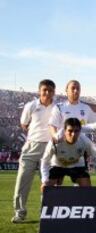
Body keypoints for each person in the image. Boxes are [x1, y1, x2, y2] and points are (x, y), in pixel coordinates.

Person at [11, 79, 56, 223]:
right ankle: (19, 213)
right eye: (45, 90)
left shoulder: (58, 107)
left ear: (54, 92)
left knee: (48, 183)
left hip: (50, 148)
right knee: (22, 180)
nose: (47, 93)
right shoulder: (30, 106)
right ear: (39, 91)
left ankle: (46, 214)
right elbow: (24, 124)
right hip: (31, 147)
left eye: (50, 90)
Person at [40, 118, 96, 191]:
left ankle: (83, 202)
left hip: (77, 166)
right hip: (58, 166)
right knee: (46, 187)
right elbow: (45, 161)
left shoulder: (85, 141)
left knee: (87, 188)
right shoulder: (55, 142)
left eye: (76, 131)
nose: (73, 134)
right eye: (70, 131)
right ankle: (48, 201)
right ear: (65, 131)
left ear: (80, 131)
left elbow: (95, 155)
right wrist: (44, 180)